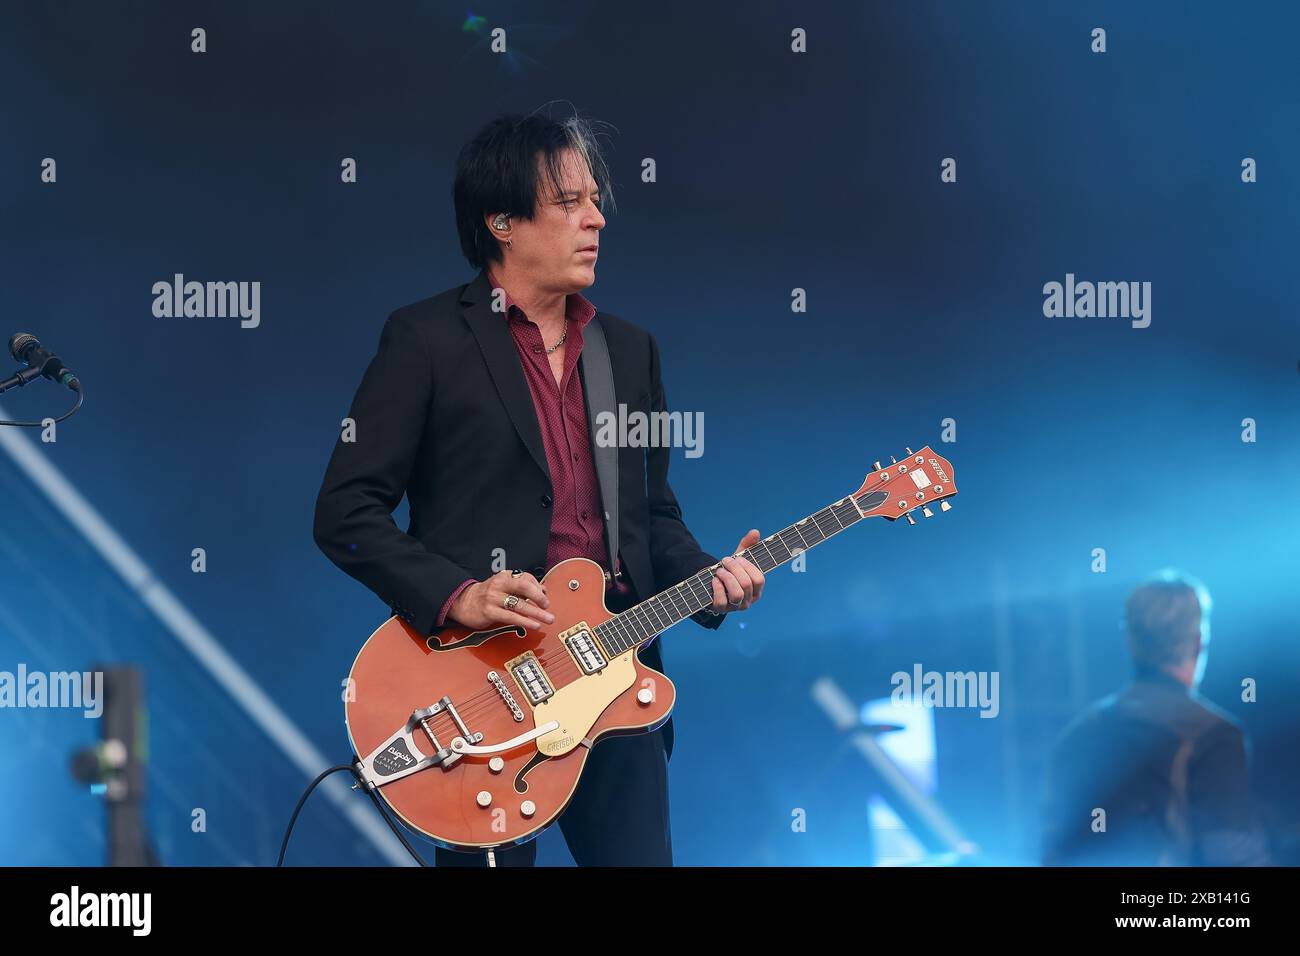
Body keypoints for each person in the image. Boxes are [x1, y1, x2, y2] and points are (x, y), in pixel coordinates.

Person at [312, 108, 765, 866]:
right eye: (568, 203)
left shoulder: (628, 351)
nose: (596, 220)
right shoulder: (425, 341)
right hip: (482, 691)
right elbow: (344, 513)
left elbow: (650, 513)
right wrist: (457, 595)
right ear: (502, 222)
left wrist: (708, 573)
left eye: (595, 200)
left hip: (618, 681)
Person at [1041, 570, 1268, 866]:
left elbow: (1053, 849)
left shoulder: (1079, 733)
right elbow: (1233, 858)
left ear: (1130, 641)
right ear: (1199, 642)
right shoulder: (1214, 736)